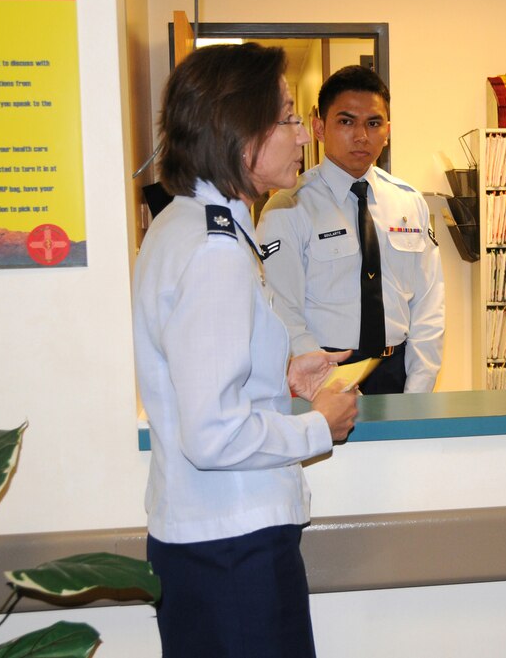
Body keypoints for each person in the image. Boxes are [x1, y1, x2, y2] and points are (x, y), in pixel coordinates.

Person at [132, 42, 359, 658]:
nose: (300, 136)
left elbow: (201, 367)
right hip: (232, 548)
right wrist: (319, 427)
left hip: (213, 541)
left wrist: (280, 371)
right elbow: (213, 435)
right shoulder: (214, 251)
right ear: (239, 134)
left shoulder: (192, 224)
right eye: (287, 118)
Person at [258, 65, 444, 395]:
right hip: (322, 374)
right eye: (346, 122)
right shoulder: (289, 206)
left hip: (397, 373)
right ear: (318, 126)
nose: (361, 136)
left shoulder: (409, 202)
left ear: (387, 130)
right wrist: (327, 383)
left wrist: (418, 387)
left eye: (373, 123)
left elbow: (429, 305)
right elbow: (283, 310)